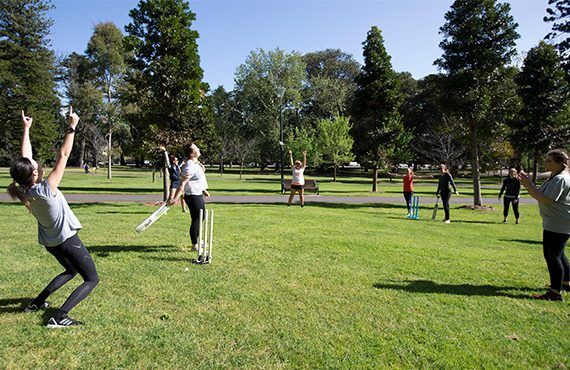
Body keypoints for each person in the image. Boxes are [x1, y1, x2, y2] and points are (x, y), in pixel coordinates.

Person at [8, 108, 99, 327]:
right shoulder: (46, 189)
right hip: (67, 242)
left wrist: (26, 129)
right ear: (34, 173)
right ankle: (59, 317)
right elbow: (64, 155)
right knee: (92, 279)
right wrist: (72, 126)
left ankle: (37, 303)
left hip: (52, 243)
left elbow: (26, 158)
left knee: (70, 270)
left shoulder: (24, 191)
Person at [518, 149, 570, 301]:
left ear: (560, 163)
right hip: (557, 222)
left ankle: (555, 293)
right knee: (559, 254)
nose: (545, 163)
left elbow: (545, 198)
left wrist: (528, 185)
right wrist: (529, 185)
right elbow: (540, 194)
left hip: (558, 224)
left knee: (552, 256)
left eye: (549, 161)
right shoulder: (555, 177)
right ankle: (566, 283)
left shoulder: (561, 179)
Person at [168, 143, 210, 252]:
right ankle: (195, 245)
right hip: (193, 195)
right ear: (192, 153)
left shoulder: (195, 164)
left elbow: (196, 179)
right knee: (198, 218)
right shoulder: (190, 166)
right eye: (196, 148)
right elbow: (182, 184)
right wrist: (175, 198)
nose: (199, 149)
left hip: (197, 193)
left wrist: (203, 190)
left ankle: (197, 240)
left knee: (200, 217)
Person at [160, 147, 188, 213]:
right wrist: (165, 152)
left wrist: (186, 151)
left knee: (183, 196)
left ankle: (183, 209)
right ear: (173, 161)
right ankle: (164, 210)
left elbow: (183, 158)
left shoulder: (178, 166)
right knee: (171, 198)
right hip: (174, 183)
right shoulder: (170, 166)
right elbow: (167, 160)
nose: (177, 161)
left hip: (179, 183)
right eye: (176, 160)